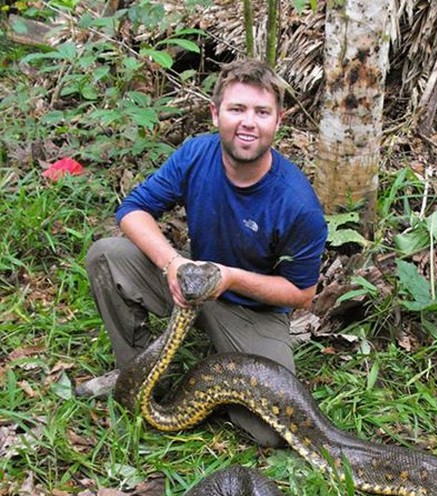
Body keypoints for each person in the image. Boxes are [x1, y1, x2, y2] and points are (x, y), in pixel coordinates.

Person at [77, 59, 328, 447]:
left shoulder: (298, 204)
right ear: (216, 114)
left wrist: (229, 279)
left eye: (261, 112)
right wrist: (173, 263)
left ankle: (216, 358)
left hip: (249, 307)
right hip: (190, 280)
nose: (248, 122)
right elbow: (132, 211)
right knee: (106, 255)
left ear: (278, 121)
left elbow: (302, 295)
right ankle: (137, 368)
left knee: (270, 431)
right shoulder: (196, 155)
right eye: (237, 109)